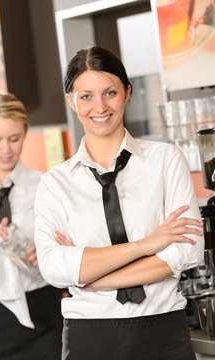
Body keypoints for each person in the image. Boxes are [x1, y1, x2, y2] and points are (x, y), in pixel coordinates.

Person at [34, 46, 204, 360]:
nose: (99, 106)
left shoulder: (165, 160)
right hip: (89, 336)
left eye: (110, 92)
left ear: (127, 93)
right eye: (86, 96)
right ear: (71, 100)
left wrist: (96, 275)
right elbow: (54, 267)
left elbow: (187, 249)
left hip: (162, 329)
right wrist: (146, 245)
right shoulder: (55, 183)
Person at [0, 93, 63, 360]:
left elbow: (71, 254)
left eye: (14, 139)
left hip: (44, 311)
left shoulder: (46, 185)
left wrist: (48, 253)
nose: (5, 150)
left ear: (25, 132)